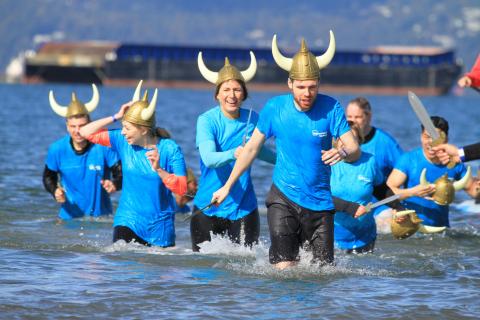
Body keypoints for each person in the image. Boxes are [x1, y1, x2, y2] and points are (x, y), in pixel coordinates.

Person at [212, 31, 360, 269]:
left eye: (312, 87)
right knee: (284, 271)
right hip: (283, 199)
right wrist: (227, 186)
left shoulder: (331, 107)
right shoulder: (274, 108)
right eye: (301, 87)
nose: (307, 93)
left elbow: (353, 147)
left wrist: (342, 153)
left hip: (321, 204)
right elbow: (250, 150)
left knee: (322, 274)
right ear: (290, 83)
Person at [79, 81, 187, 247]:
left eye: (127, 128)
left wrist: (159, 169)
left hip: (160, 228)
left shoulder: (169, 149)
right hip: (127, 220)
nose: (122, 132)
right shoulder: (122, 141)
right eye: (122, 127)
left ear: (143, 130)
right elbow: (85, 132)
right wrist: (116, 116)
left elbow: (181, 188)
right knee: (123, 267)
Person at [191, 51, 276, 251]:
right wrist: (235, 153)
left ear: (244, 94)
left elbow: (260, 151)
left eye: (237, 90)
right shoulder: (206, 120)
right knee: (205, 274)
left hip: (244, 207)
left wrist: (286, 160)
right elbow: (208, 158)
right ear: (217, 94)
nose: (232, 95)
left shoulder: (253, 119)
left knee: (245, 271)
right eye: (226, 89)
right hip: (209, 205)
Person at [43, 84, 122, 221]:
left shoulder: (103, 146)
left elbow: (121, 173)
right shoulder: (57, 149)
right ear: (67, 126)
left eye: (82, 126)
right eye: (73, 126)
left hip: (101, 218)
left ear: (90, 124)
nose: (77, 131)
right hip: (69, 218)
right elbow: (48, 177)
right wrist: (55, 190)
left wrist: (115, 184)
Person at [387, 116, 478, 227]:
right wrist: (412, 192)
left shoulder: (454, 164)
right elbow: (386, 193)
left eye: (437, 138)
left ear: (446, 140)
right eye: (427, 137)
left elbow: (474, 191)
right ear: (421, 137)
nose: (431, 142)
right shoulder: (408, 160)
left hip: (441, 233)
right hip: (411, 231)